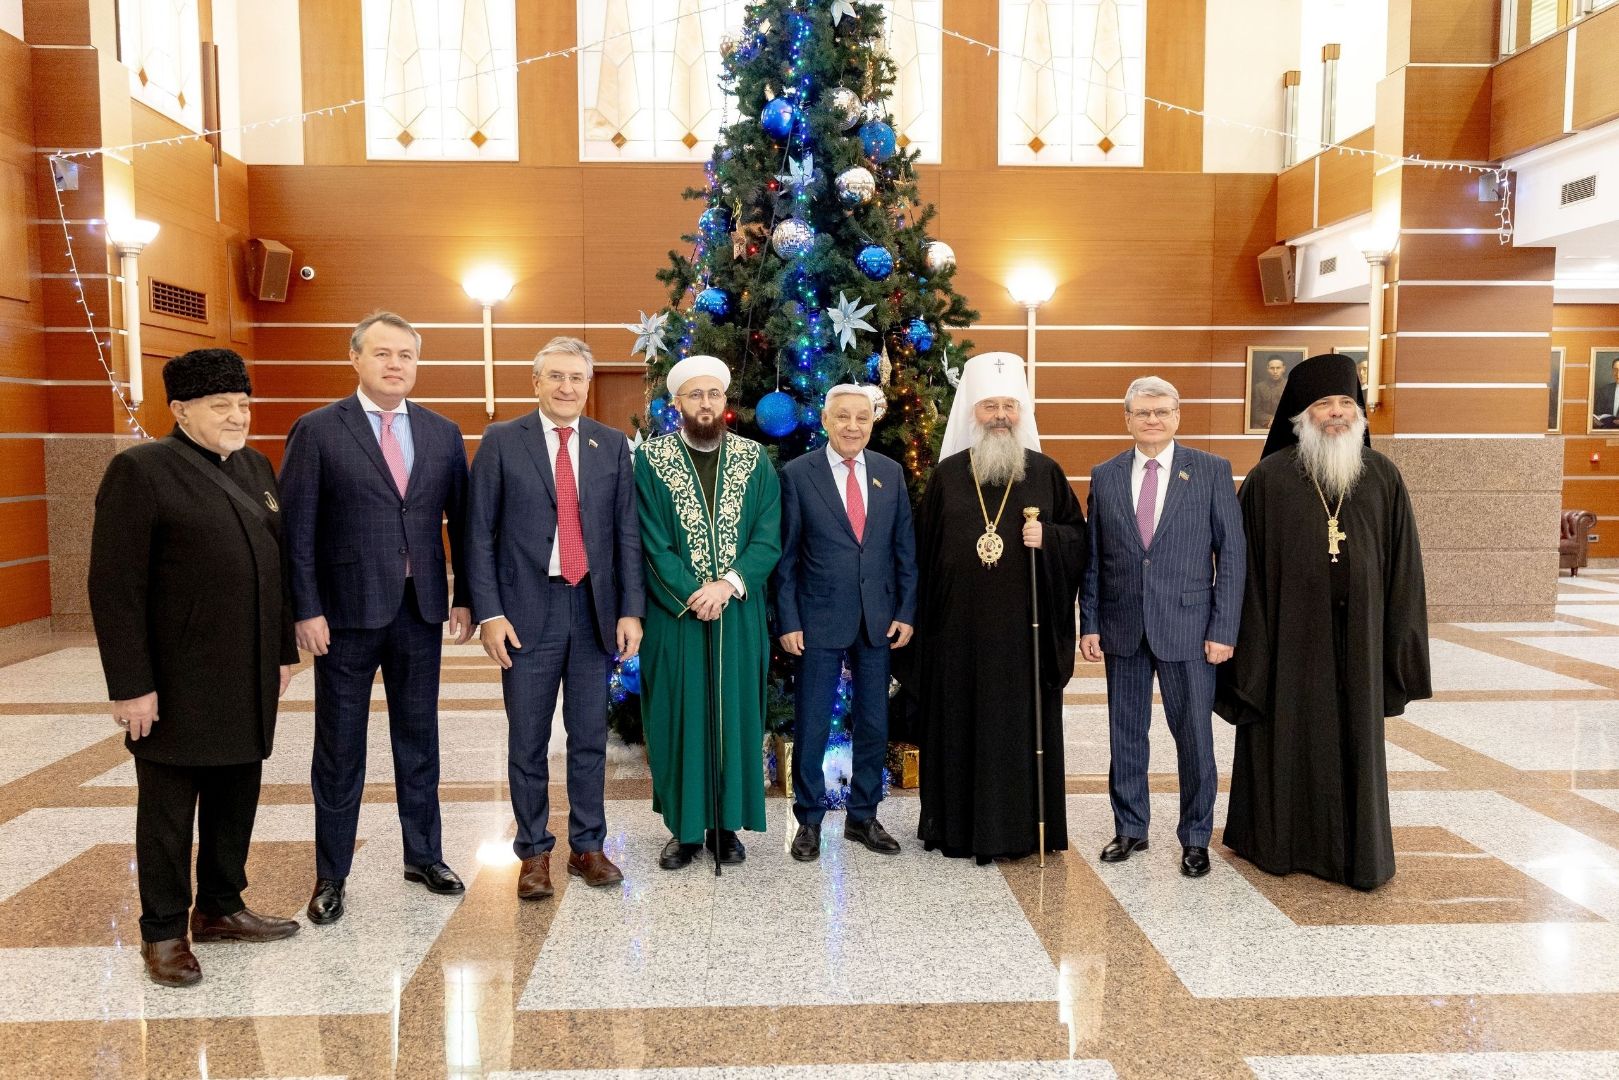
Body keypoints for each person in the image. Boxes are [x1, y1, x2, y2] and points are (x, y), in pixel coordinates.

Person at [88, 349, 300, 987]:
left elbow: (275, 564)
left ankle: (220, 907)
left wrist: (282, 652)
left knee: (237, 794)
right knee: (169, 811)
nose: (237, 416)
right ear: (180, 410)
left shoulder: (256, 466)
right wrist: (132, 686)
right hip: (176, 680)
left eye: (243, 404)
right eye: (221, 406)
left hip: (249, 671)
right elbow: (114, 587)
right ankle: (162, 932)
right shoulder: (140, 471)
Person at [279, 312, 473, 925]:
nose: (395, 365)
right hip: (344, 614)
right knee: (340, 747)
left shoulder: (442, 433)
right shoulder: (317, 430)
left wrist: (465, 595)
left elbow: (464, 524)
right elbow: (296, 530)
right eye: (383, 353)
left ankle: (425, 855)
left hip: (419, 609)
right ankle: (331, 873)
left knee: (419, 738)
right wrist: (305, 608)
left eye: (406, 355)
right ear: (356, 359)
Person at [1215, 352, 1431, 890]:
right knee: (1286, 735)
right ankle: (1276, 844)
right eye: (1323, 404)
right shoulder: (1268, 480)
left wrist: (1399, 644)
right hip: (1288, 641)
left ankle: (1357, 852)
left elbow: (1405, 568)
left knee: (1355, 740)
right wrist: (1249, 647)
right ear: (1300, 415)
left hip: (1360, 640)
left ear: (1358, 412)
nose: (1336, 412)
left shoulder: (1382, 476)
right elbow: (1244, 573)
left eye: (1345, 403)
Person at [465, 336, 644, 899]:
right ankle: (534, 852)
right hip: (525, 612)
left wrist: (631, 610)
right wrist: (489, 613)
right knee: (528, 740)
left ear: (588, 385)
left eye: (577, 378)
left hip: (592, 610)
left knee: (589, 737)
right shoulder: (501, 440)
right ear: (537, 382)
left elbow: (627, 533)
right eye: (557, 377)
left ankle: (588, 846)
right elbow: (477, 533)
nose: (567, 387)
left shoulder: (610, 445)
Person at [910, 352, 1087, 864]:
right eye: (990, 406)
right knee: (959, 728)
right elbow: (921, 556)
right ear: (973, 411)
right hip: (957, 638)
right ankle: (957, 828)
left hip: (1022, 639)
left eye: (1009, 406)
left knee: (1019, 731)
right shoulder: (947, 476)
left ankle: (1022, 829)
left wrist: (1049, 538)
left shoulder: (1045, 472)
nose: (1001, 416)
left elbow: (1080, 540)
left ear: (1021, 412)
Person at [1079, 377, 1244, 878]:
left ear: (1177, 416)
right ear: (1127, 418)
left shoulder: (1211, 470)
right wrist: (1090, 622)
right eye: (1142, 412)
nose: (1152, 420)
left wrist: (1224, 629)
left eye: (1161, 411)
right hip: (1123, 628)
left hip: (1189, 629)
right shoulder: (1105, 475)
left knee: (1194, 737)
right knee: (1126, 734)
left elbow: (1232, 555)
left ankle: (1195, 837)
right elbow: (1093, 559)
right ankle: (1130, 827)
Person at [635, 355, 781, 870]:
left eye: (713, 394)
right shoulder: (650, 460)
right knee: (677, 719)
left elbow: (768, 536)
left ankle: (726, 826)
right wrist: (693, 593)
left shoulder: (754, 458)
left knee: (735, 719)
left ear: (724, 401)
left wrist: (727, 585)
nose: (705, 403)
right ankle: (684, 829)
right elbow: (649, 541)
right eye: (694, 395)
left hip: (737, 613)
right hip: (675, 617)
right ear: (677, 403)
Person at [774, 384, 917, 862]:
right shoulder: (798, 474)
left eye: (862, 418)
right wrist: (789, 619)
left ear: (872, 423)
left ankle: (863, 815)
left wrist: (906, 611)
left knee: (874, 721)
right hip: (817, 620)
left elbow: (904, 550)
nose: (852, 426)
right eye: (843, 417)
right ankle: (809, 819)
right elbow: (786, 558)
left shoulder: (889, 473)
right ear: (825, 420)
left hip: (878, 620)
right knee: (813, 723)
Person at [1253, 356, 1288, 429]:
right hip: (1264, 424)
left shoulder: (1291, 386)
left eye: (1278, 368)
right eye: (1272, 368)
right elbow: (1255, 412)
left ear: (1284, 369)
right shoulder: (1259, 387)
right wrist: (1270, 419)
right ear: (1267, 369)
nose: (1275, 371)